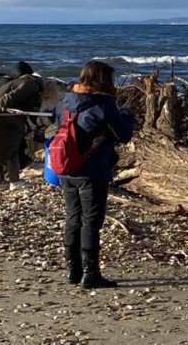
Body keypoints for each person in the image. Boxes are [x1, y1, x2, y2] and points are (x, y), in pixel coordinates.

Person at [53, 61, 133, 288]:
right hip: (92, 168)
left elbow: (54, 120)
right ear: (105, 79)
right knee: (91, 221)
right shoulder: (104, 103)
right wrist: (126, 117)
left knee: (72, 217)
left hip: (66, 166)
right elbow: (124, 135)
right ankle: (90, 273)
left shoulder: (66, 99)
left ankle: (73, 270)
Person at [0, 63, 43, 192]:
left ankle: (6, 181)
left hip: (6, 117)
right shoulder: (32, 84)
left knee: (9, 149)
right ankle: (6, 182)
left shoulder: (19, 81)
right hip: (8, 118)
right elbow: (8, 98)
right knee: (5, 150)